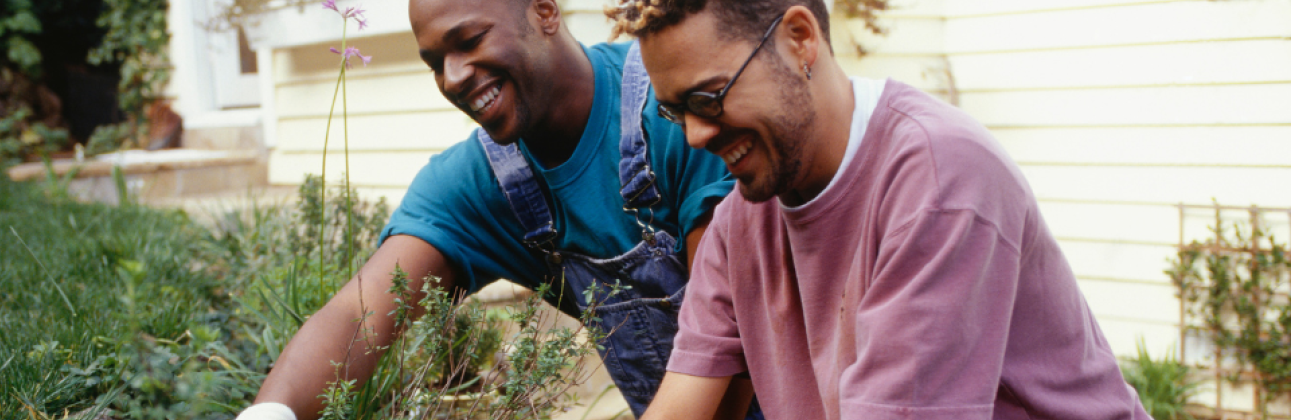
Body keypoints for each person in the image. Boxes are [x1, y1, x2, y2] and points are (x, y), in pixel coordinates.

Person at [606, 0, 1155, 418]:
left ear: (800, 40)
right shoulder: (740, 222)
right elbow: (684, 400)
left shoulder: (939, 177)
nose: (697, 136)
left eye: (709, 98)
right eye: (678, 113)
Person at [236, 0, 765, 419]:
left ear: (544, 10)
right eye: (433, 63)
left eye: (468, 41)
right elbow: (358, 313)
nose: (452, 77)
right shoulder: (479, 184)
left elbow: (724, 341)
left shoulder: (678, 114)